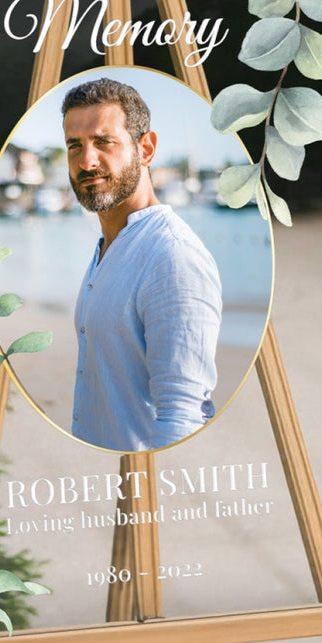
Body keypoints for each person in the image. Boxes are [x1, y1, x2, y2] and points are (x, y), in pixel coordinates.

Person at [61, 77, 222, 451]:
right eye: (75, 145)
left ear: (145, 149)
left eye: (104, 142)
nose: (87, 161)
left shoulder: (172, 256)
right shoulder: (110, 246)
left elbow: (184, 415)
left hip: (141, 481)